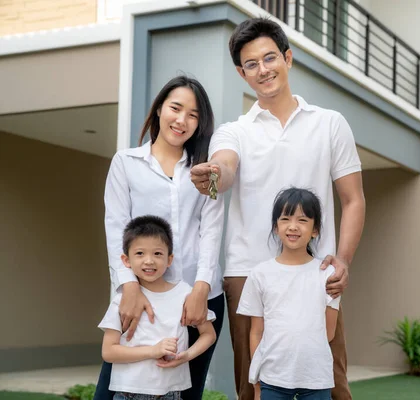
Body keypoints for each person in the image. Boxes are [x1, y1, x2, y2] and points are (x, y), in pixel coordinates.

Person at [191, 17, 366, 400]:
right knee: (251, 384)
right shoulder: (234, 131)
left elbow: (353, 199)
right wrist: (214, 174)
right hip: (249, 271)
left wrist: (343, 260)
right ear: (242, 73)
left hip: (317, 270)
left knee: (332, 383)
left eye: (270, 58)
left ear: (288, 58)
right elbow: (226, 167)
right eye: (251, 64)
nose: (263, 69)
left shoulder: (330, 124)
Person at [94, 75, 225, 400]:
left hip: (198, 298)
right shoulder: (125, 163)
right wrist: (129, 286)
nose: (182, 120)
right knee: (113, 391)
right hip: (140, 295)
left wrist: (201, 288)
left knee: (184, 393)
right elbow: (116, 227)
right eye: (175, 108)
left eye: (193, 114)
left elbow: (211, 228)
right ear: (158, 110)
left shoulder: (207, 171)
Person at [99, 215, 217, 400]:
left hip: (170, 394)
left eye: (157, 253)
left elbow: (208, 334)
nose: (149, 261)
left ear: (170, 259)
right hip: (128, 394)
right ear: (126, 260)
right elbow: (108, 351)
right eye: (140, 253)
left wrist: (186, 356)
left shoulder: (184, 293)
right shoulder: (124, 302)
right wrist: (152, 351)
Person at [237, 188, 339, 400]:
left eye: (302, 220)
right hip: (272, 378)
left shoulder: (328, 275)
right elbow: (256, 332)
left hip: (316, 377)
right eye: (285, 219)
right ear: (276, 227)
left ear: (315, 229)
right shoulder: (260, 274)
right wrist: (256, 382)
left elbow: (329, 331)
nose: (293, 226)